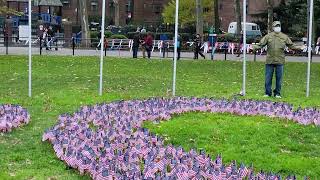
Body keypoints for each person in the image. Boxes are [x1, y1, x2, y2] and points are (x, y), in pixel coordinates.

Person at [253, 21, 299, 98]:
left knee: (279, 79)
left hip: (280, 60)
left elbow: (291, 45)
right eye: (276, 26)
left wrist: (300, 47)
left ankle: (277, 93)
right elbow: (260, 44)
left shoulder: (284, 37)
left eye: (278, 25)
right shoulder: (268, 36)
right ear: (273, 27)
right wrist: (253, 48)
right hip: (270, 60)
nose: (277, 27)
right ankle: (267, 93)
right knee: (268, 78)